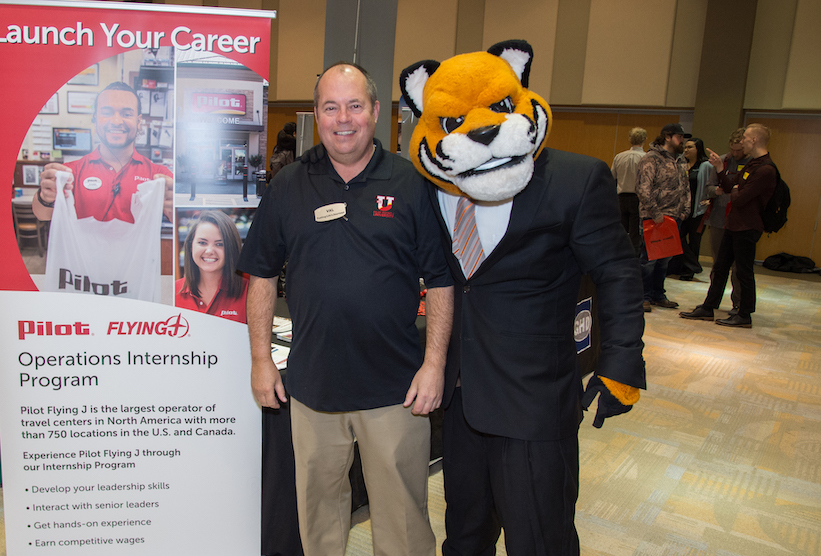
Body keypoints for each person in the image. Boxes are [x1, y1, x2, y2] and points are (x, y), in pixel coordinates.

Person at [399, 40, 646, 556]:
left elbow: (618, 272)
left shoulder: (575, 180)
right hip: (460, 399)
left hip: (534, 403)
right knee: (465, 535)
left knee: (540, 537)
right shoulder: (431, 184)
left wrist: (620, 363)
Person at [238, 62, 453, 556]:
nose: (343, 118)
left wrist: (434, 364)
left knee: (402, 527)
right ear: (316, 115)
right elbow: (262, 276)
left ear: (376, 112)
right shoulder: (289, 184)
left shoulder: (410, 182)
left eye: (354, 105)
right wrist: (260, 359)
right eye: (330, 107)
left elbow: (441, 280)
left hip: (394, 391)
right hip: (312, 391)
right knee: (319, 525)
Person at [33, 81, 173, 224]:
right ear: (95, 119)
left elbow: (180, 219)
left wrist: (174, 204)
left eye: (126, 113)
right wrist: (45, 196)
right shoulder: (71, 171)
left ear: (138, 122)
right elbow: (42, 215)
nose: (117, 121)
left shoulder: (159, 176)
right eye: (107, 113)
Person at [679, 123, 777, 328]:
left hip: (748, 226)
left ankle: (744, 314)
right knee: (720, 267)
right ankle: (708, 307)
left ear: (754, 140)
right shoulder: (752, 166)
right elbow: (730, 186)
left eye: (746, 138)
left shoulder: (765, 168)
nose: (742, 141)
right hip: (733, 224)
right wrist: (722, 171)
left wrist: (733, 188)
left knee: (743, 271)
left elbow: (739, 198)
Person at [635, 123, 691, 312]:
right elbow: (643, 188)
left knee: (664, 260)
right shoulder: (652, 158)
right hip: (654, 217)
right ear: (667, 137)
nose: (682, 140)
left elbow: (685, 186)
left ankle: (658, 294)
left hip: (674, 217)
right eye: (679, 137)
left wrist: (685, 209)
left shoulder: (681, 160)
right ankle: (643, 296)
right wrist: (656, 213)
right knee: (649, 259)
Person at [702, 128, 749, 312]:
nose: (735, 153)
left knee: (738, 267)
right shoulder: (722, 161)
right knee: (718, 264)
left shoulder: (753, 164)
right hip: (719, 218)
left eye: (739, 150)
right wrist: (716, 191)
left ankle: (738, 302)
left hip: (740, 220)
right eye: (733, 149)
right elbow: (708, 188)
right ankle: (712, 301)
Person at [175, 211, 248, 324]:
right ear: (190, 246)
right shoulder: (173, 292)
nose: (209, 251)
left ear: (231, 249)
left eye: (219, 244)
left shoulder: (250, 292)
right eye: (202, 243)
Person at [669, 137, 715, 280]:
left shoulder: (706, 166)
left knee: (694, 240)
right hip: (681, 209)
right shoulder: (681, 164)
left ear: (698, 149)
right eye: (686, 147)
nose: (686, 150)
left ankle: (689, 271)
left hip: (698, 209)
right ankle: (688, 265)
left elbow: (712, 185)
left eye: (690, 147)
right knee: (677, 237)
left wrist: (709, 200)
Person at [611, 127, 647, 256]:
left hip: (621, 197)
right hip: (638, 198)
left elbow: (612, 177)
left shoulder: (619, 157)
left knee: (621, 230)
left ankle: (619, 255)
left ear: (629, 139)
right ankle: (633, 258)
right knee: (635, 232)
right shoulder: (646, 158)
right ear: (645, 139)